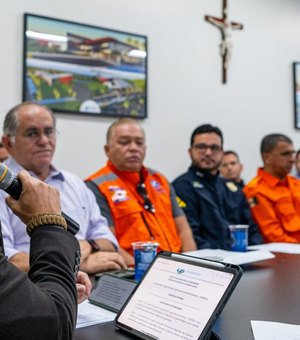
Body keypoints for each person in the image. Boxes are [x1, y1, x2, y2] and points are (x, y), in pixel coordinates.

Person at [0, 102, 126, 274]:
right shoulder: (3, 188)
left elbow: (109, 241)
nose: (44, 141)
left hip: (90, 283)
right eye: (32, 133)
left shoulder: (75, 183)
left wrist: (87, 245)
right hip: (32, 289)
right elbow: (7, 262)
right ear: (8, 143)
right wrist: (74, 263)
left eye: (49, 131)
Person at [85, 118, 196, 266]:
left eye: (139, 142)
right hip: (134, 272)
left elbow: (183, 230)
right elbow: (108, 242)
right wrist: (142, 271)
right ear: (107, 149)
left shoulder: (160, 180)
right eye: (124, 142)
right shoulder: (96, 186)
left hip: (177, 268)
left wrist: (192, 264)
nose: (133, 148)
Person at [0, 169, 79, 339]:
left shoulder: (75, 182)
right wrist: (49, 223)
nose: (44, 141)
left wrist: (55, 284)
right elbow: (55, 327)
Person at [172, 124, 262, 250]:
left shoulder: (232, 188)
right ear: (190, 151)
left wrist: (252, 252)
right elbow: (191, 236)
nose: (208, 153)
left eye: (214, 148)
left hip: (244, 259)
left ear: (221, 153)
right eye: (201, 147)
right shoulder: (181, 187)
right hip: (209, 262)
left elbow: (252, 230)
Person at [244, 133, 300, 243]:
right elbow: (273, 236)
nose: (292, 160)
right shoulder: (255, 190)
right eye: (285, 154)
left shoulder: (295, 183)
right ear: (267, 157)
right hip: (285, 254)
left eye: (292, 154)